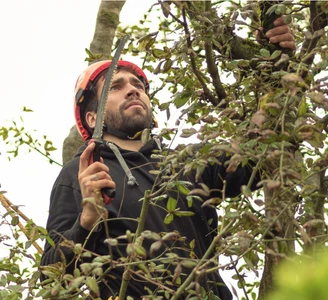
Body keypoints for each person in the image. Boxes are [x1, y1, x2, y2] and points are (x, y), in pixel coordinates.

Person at [40, 18, 295, 300]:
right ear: (92, 118)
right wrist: (87, 220)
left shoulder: (186, 163)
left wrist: (274, 65)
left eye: (139, 85)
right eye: (115, 86)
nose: (133, 89)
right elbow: (52, 277)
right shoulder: (80, 174)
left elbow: (267, 154)